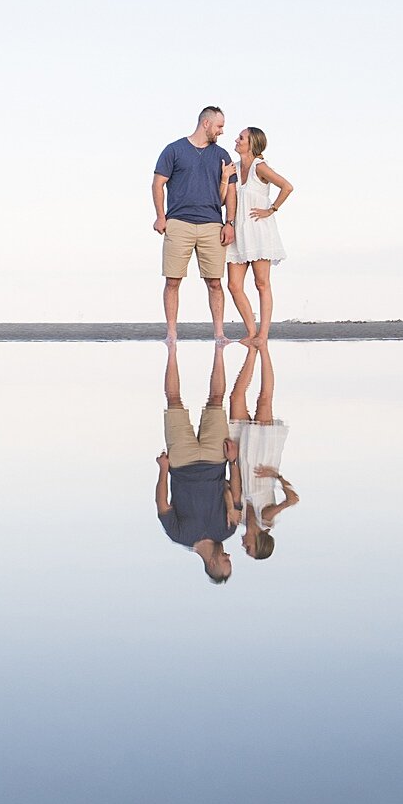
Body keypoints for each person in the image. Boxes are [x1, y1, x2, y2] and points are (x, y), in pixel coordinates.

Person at [154, 340, 241, 583]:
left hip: (182, 462)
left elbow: (162, 504)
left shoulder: (179, 535)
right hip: (216, 460)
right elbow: (235, 495)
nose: (229, 556)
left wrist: (163, 471)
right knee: (216, 399)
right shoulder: (228, 530)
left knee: (173, 400)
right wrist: (233, 462)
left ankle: (171, 347)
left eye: (226, 561)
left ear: (212, 563)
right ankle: (220, 346)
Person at [153, 107, 237, 340]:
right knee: (172, 280)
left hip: (212, 224)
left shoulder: (222, 155)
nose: (222, 131)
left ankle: (219, 334)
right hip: (178, 222)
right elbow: (157, 184)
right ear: (206, 123)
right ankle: (171, 334)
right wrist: (161, 216)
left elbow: (230, 191)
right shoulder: (174, 150)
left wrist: (229, 223)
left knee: (215, 282)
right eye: (219, 126)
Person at [226, 342, 297, 560]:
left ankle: (251, 351)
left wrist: (233, 462)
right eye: (249, 548)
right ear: (258, 542)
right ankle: (263, 349)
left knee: (236, 397)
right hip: (261, 459)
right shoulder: (265, 519)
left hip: (242, 460)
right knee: (264, 401)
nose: (244, 546)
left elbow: (230, 488)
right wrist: (276, 475)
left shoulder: (239, 520)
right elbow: (293, 499)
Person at [222, 126, 292, 345]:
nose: (236, 139)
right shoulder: (233, 168)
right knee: (234, 285)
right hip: (238, 231)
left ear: (251, 143)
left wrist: (271, 209)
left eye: (241, 137)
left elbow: (287, 187)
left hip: (259, 232)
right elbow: (223, 198)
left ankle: (263, 335)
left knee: (262, 283)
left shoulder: (260, 167)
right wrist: (224, 178)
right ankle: (251, 331)